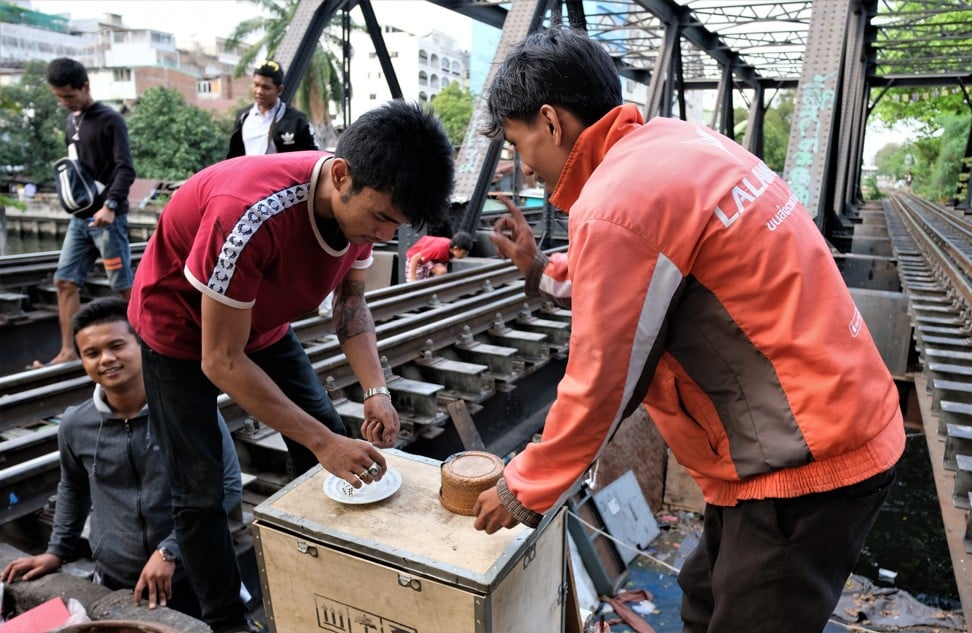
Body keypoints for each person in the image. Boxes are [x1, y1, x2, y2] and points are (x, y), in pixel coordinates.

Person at [472, 27, 905, 633]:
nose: (524, 166)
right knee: (703, 598)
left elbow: (602, 381)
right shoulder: (671, 144)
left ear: (550, 121)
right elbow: (637, 281)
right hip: (820, 421)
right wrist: (541, 270)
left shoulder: (616, 200)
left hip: (802, 459)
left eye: (519, 144)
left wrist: (525, 485)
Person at [128, 99, 454, 633]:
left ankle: (320, 568)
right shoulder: (251, 212)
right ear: (342, 177)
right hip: (182, 331)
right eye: (381, 219)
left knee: (320, 429)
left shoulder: (364, 209)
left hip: (259, 318)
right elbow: (222, 359)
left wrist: (376, 389)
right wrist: (325, 442)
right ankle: (227, 619)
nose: (385, 237)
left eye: (397, 225)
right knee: (201, 486)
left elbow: (351, 305)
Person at [0, 297, 242, 619]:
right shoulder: (76, 424)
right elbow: (73, 490)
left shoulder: (188, 409)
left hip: (195, 573)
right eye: (92, 353)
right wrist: (57, 550)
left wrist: (170, 550)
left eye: (116, 346)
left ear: (141, 343)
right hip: (117, 578)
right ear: (83, 361)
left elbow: (227, 485)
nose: (106, 359)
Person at [35, 58, 136, 368]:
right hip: (81, 220)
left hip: (108, 219)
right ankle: (68, 351)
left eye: (68, 96)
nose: (64, 102)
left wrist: (111, 205)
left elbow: (125, 168)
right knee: (64, 281)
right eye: (58, 96)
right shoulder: (71, 121)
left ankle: (147, 343)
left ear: (85, 86)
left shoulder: (109, 119)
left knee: (123, 287)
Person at [226, 59, 317, 158]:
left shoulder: (296, 120)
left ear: (279, 90)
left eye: (266, 87)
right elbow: (234, 156)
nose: (259, 91)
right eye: (256, 85)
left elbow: (311, 157)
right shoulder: (243, 116)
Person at [405, 230, 473, 281]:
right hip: (417, 260)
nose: (465, 255)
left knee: (442, 271)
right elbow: (414, 258)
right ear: (456, 248)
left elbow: (444, 262)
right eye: (464, 253)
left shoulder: (451, 251)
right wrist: (413, 280)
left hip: (429, 259)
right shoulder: (439, 249)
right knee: (418, 283)